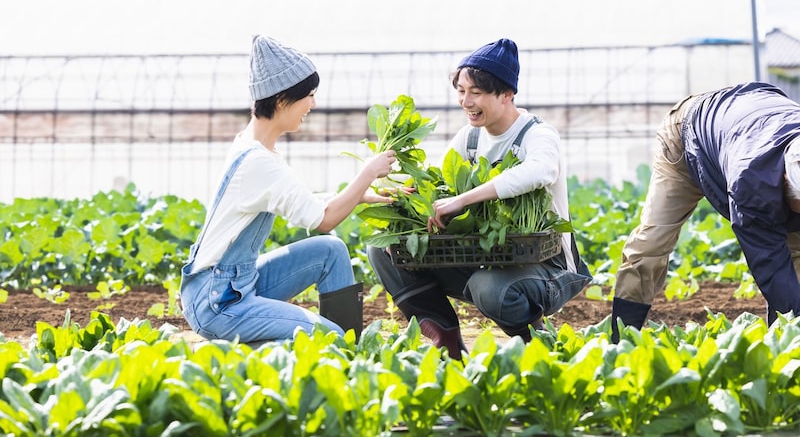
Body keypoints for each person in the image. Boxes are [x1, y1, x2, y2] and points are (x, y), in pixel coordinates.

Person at [367, 38, 593, 359]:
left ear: (506, 94)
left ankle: (536, 341)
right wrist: (410, 197)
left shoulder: (537, 135)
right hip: (488, 255)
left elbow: (538, 172)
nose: (465, 100)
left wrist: (463, 200)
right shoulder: (469, 138)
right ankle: (446, 343)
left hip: (548, 264)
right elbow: (440, 184)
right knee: (384, 250)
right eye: (461, 90)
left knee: (489, 288)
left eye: (476, 92)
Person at [179, 35, 396, 344]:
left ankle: (349, 351)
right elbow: (324, 220)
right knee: (329, 338)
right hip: (218, 302)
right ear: (281, 100)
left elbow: (304, 204)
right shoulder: (260, 162)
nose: (313, 104)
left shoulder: (252, 146)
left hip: (236, 283)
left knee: (329, 251)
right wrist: (369, 172)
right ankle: (246, 359)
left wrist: (358, 195)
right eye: (308, 95)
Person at [611, 82, 800, 343]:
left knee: (796, 255)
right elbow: (771, 264)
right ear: (784, 180)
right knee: (652, 243)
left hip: (744, 123)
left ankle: (787, 346)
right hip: (685, 134)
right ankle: (620, 341)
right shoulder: (751, 183)